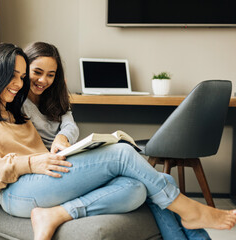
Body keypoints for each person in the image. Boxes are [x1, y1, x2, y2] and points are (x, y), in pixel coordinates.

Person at [0, 43, 236, 240]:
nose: (18, 84)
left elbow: (63, 122)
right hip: (14, 192)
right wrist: (29, 162)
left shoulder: (14, 109)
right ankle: (191, 210)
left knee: (137, 188)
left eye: (20, 77)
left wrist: (59, 149)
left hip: (44, 178)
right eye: (12, 77)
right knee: (123, 153)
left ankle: (55, 215)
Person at [23, 41, 211, 240]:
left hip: (69, 159)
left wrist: (62, 137)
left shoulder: (54, 97)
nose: (43, 80)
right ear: (24, 69)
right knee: (129, 157)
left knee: (159, 181)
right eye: (37, 72)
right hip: (50, 168)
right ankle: (196, 219)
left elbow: (70, 125)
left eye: (51, 75)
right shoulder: (18, 102)